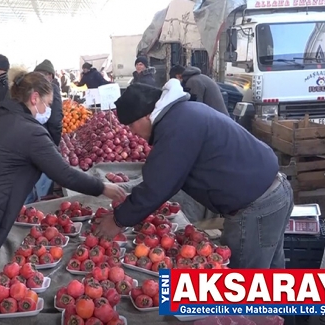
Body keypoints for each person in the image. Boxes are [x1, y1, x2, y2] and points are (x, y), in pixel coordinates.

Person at [0, 66, 126, 325]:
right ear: (34, 98)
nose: (47, 110)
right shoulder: (31, 132)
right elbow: (65, 174)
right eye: (47, 103)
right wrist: (103, 187)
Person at [93, 80, 294, 270]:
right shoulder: (183, 114)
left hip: (257, 207)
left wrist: (119, 220)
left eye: (130, 125)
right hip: (273, 193)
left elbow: (158, 185)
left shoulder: (176, 126)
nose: (131, 132)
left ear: (146, 115)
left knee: (244, 288)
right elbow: (165, 174)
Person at [27, 59, 64, 203]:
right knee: (42, 183)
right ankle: (37, 209)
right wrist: (54, 145)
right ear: (51, 75)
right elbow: (55, 120)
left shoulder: (29, 88)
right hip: (44, 141)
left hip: (30, 140)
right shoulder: (51, 88)